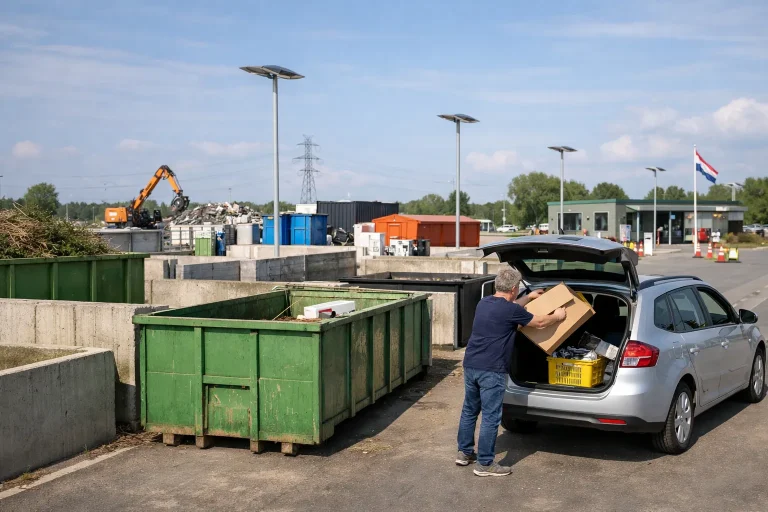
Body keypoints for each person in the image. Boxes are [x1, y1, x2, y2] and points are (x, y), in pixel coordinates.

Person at [455, 267, 567, 477]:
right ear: (515, 288)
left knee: (470, 410)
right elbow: (540, 322)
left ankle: (464, 453)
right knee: (490, 416)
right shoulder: (511, 311)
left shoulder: (484, 303)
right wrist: (557, 316)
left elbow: (511, 307)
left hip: (471, 365)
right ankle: (485, 464)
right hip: (492, 370)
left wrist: (530, 297)